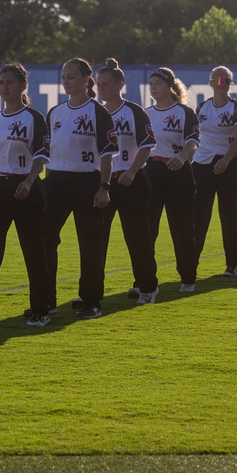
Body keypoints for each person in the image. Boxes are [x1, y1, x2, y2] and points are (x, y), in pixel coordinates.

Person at [0, 63, 52, 330]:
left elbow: (41, 155)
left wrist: (29, 181)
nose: (4, 87)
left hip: (26, 188)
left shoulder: (34, 118)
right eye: (1, 82)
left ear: (22, 86)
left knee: (34, 252)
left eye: (10, 83)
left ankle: (41, 309)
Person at [43, 57, 117, 320]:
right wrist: (46, 182)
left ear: (86, 80)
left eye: (71, 76)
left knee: (90, 244)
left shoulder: (98, 113)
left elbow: (107, 155)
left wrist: (104, 187)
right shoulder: (55, 113)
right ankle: (45, 301)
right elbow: (50, 153)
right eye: (63, 76)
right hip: (56, 183)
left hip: (88, 183)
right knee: (45, 238)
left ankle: (91, 302)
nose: (66, 81)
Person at [96, 58, 159, 304]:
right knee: (97, 240)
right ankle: (92, 293)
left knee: (137, 237)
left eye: (107, 84)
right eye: (99, 84)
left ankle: (148, 287)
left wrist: (132, 170)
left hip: (131, 180)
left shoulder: (134, 111)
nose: (102, 89)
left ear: (120, 84)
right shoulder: (94, 112)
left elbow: (147, 145)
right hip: (104, 182)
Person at [145, 67, 200, 292]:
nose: (153, 87)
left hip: (177, 173)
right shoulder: (145, 113)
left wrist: (183, 157)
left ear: (169, 86)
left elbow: (193, 140)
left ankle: (188, 278)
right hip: (151, 172)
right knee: (147, 229)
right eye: (151, 83)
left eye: (158, 83)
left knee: (182, 228)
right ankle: (145, 281)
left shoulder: (185, 112)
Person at [192, 66, 237, 277]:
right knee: (199, 217)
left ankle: (232, 265)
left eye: (225, 80)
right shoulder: (202, 108)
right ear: (210, 83)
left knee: (228, 215)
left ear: (229, 83)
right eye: (217, 80)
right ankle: (191, 266)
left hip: (229, 164)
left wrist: (226, 159)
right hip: (203, 164)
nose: (221, 84)